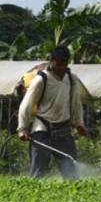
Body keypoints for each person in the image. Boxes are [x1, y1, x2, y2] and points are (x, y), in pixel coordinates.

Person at [17, 46, 87, 179]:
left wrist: (79, 124)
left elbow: (76, 103)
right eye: (59, 64)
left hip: (64, 131)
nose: (61, 68)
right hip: (42, 131)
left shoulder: (72, 79)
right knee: (37, 173)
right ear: (51, 61)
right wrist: (22, 128)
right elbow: (26, 105)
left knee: (72, 174)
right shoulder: (41, 80)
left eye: (64, 64)